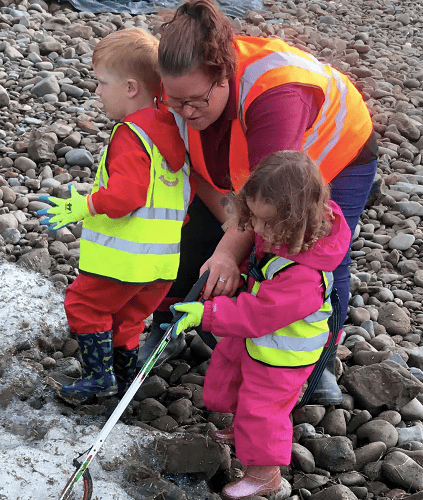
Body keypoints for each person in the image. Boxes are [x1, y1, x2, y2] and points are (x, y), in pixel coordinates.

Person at [148, 0, 379, 404]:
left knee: (312, 255)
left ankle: (313, 365)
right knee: (195, 227)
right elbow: (194, 171)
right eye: (174, 101)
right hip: (254, 174)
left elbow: (271, 199)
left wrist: (229, 249)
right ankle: (172, 322)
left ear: (224, 76)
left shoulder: (276, 97)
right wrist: (225, 235)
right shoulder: (179, 88)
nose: (183, 112)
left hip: (333, 159)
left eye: (195, 102)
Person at [165, 151, 351, 499]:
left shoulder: (303, 275)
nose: (257, 230)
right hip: (263, 341)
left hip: (282, 357)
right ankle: (241, 430)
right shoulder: (288, 236)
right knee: (233, 378)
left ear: (298, 221)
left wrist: (206, 314)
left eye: (267, 223)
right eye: (254, 218)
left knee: (262, 411)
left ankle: (265, 474)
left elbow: (258, 313)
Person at [37, 28, 191, 400]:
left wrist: (83, 205)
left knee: (83, 304)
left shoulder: (130, 134)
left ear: (131, 87)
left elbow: (127, 196)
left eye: (102, 83)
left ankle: (99, 378)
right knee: (127, 319)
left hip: (122, 262)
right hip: (162, 265)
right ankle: (125, 379)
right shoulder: (174, 133)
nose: (97, 92)